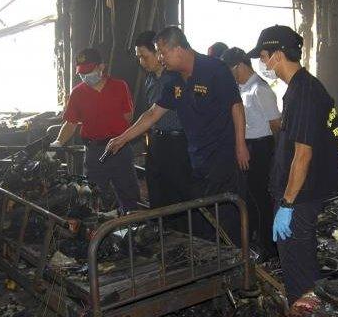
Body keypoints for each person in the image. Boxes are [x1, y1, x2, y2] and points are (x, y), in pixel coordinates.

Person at [106, 27, 250, 243]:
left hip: (223, 153)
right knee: (202, 210)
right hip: (195, 155)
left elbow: (236, 107)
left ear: (179, 48)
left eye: (162, 52)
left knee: (226, 209)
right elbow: (153, 113)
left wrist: (241, 145)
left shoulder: (215, 69)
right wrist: (122, 138)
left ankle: (235, 257)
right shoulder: (174, 79)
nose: (160, 58)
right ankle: (209, 257)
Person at [247, 25, 338, 305]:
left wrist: (287, 204)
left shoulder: (303, 92)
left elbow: (303, 154)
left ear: (277, 55)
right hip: (299, 197)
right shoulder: (303, 88)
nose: (263, 63)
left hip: (298, 201)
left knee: (299, 273)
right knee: (300, 266)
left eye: (264, 56)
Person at [53, 48, 140, 214]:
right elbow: (70, 123)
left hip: (119, 147)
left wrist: (114, 133)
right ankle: (96, 235)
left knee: (129, 194)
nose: (85, 77)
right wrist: (58, 142)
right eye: (82, 73)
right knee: (91, 196)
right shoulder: (77, 93)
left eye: (89, 71)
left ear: (102, 67)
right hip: (94, 151)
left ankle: (132, 231)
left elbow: (128, 116)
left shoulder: (119, 86)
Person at [221, 47, 281, 258]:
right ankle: (257, 241)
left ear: (240, 65)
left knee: (262, 200)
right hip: (246, 148)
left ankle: (270, 247)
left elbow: (276, 125)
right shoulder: (242, 89)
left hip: (261, 148)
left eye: (229, 69)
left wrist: (278, 155)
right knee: (249, 199)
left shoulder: (260, 89)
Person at [134, 31, 192, 208]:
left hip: (177, 142)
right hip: (156, 139)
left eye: (144, 56)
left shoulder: (176, 78)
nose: (141, 62)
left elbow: (153, 114)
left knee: (178, 192)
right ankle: (160, 231)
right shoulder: (150, 79)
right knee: (156, 188)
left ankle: (180, 233)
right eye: (139, 58)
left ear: (158, 53)